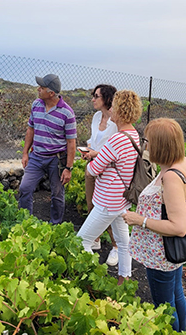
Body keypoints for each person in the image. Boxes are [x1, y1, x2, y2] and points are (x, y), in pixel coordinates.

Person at [122, 118, 186, 332]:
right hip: (171, 252)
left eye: (147, 141)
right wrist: (182, 194)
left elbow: (179, 227)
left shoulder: (170, 178)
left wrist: (138, 220)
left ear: (160, 145)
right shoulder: (181, 162)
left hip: (161, 253)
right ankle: (182, 331)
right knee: (176, 293)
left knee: (164, 306)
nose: (145, 145)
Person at [77, 90, 142, 285]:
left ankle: (96, 279)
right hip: (122, 200)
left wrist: (90, 158)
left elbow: (93, 171)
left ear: (120, 110)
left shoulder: (116, 139)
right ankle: (124, 280)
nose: (111, 109)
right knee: (123, 243)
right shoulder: (133, 135)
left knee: (81, 242)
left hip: (107, 201)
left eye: (114, 105)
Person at [18, 74, 77, 224]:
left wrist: (68, 168)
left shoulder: (67, 113)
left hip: (56, 159)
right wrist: (25, 153)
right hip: (36, 156)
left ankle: (55, 226)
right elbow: (30, 130)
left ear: (51, 93)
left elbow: (71, 143)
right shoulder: (36, 105)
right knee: (25, 188)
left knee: (57, 194)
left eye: (42, 87)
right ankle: (25, 224)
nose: (38, 89)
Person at [80, 84, 119, 266]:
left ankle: (116, 246)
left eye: (96, 96)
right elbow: (93, 140)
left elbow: (117, 150)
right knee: (92, 205)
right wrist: (88, 150)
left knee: (108, 210)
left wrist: (96, 154)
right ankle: (95, 238)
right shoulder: (96, 117)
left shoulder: (117, 122)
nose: (93, 99)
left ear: (107, 99)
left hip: (109, 172)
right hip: (93, 166)